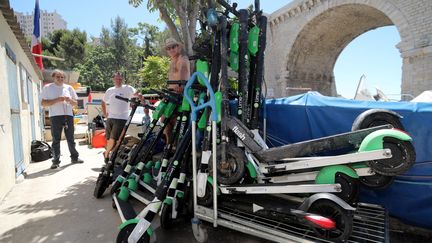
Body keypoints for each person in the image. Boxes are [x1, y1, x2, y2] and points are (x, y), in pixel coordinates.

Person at [41, 69, 83, 169]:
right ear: (53, 77)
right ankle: (55, 161)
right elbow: (43, 103)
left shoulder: (69, 88)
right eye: (58, 77)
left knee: (71, 138)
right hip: (55, 116)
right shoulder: (47, 88)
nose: (60, 79)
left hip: (68, 115)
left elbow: (77, 104)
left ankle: (74, 157)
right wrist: (57, 100)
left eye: (62, 77)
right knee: (56, 139)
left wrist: (70, 100)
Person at [102, 72, 137, 163]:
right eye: (117, 79)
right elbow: (103, 102)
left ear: (123, 79)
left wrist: (140, 97)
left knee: (114, 139)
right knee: (110, 139)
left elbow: (136, 94)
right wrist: (105, 113)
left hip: (121, 118)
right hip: (110, 118)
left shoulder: (127, 88)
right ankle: (110, 154)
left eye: (120, 79)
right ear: (113, 79)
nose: (119, 80)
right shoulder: (110, 90)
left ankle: (107, 154)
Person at [163, 38, 191, 143]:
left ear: (178, 47)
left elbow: (181, 82)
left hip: (179, 95)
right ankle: (169, 145)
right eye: (168, 48)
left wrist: (180, 87)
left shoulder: (182, 59)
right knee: (164, 119)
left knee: (171, 120)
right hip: (172, 94)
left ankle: (173, 145)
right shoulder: (173, 61)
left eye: (173, 47)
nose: (171, 49)